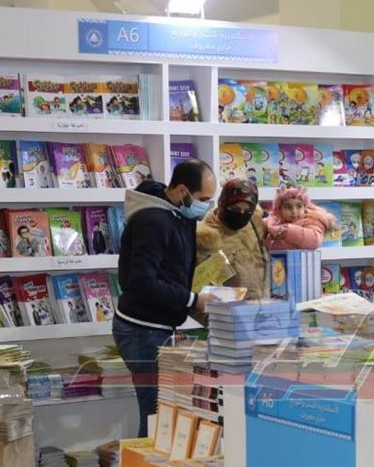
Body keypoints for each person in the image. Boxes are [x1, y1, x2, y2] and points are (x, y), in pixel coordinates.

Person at [113, 160, 217, 437]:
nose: (206, 206)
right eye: (203, 199)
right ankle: (145, 464)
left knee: (163, 411)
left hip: (157, 326)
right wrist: (193, 299)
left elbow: (173, 266)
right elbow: (142, 282)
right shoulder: (153, 221)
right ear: (182, 190)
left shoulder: (178, 214)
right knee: (155, 413)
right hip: (142, 329)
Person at [196, 179, 271, 300]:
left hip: (263, 305)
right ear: (222, 203)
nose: (241, 214)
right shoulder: (206, 238)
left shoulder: (256, 224)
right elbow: (201, 288)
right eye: (235, 209)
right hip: (228, 309)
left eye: (248, 211)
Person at [264, 186, 335, 251]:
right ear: (280, 209)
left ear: (305, 207)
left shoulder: (311, 221)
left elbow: (315, 240)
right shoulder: (273, 223)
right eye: (288, 207)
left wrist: (288, 231)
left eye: (299, 206)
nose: (294, 211)